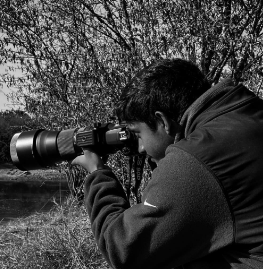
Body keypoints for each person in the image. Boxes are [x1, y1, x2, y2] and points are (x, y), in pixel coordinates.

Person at [72, 59, 263, 269]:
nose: (141, 148)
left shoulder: (197, 159)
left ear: (162, 121)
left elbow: (124, 249)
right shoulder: (247, 113)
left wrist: (97, 172)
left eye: (138, 134)